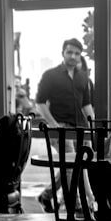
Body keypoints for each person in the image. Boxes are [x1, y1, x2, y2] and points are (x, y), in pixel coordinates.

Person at [34, 38, 94, 211]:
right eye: (70, 52)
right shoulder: (50, 75)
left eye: (77, 53)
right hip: (60, 127)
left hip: (81, 127)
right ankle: (74, 205)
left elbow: (86, 104)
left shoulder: (83, 77)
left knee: (76, 165)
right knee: (70, 166)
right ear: (63, 53)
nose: (73, 56)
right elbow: (40, 103)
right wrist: (53, 125)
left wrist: (92, 125)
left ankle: (46, 196)